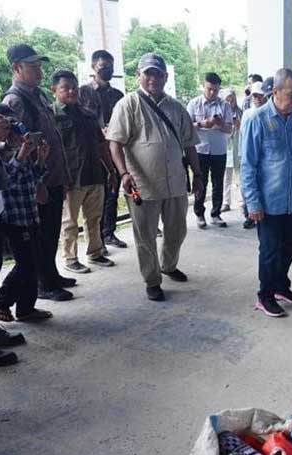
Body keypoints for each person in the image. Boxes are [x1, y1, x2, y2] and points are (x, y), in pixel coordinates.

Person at [106, 53, 201, 301]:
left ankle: (168, 266)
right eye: (148, 73)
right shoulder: (128, 105)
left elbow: (190, 144)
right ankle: (152, 279)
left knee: (177, 230)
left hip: (176, 183)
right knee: (145, 235)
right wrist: (123, 173)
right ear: (138, 76)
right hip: (142, 185)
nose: (153, 78)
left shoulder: (176, 107)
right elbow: (115, 143)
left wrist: (198, 174)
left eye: (158, 73)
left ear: (165, 77)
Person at [2, 43, 75, 302]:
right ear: (17, 68)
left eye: (39, 66)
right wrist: (39, 183)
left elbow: (51, 139)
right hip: (37, 183)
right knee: (38, 240)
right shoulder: (15, 100)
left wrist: (61, 176)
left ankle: (51, 275)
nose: (39, 72)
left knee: (50, 233)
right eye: (33, 67)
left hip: (52, 177)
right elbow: (17, 147)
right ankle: (43, 285)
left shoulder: (39, 95)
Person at [241, 68, 292, 317]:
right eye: (291, 95)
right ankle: (265, 295)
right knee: (270, 251)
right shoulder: (257, 119)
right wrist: (252, 203)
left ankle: (282, 287)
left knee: (288, 248)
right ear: (275, 92)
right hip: (268, 202)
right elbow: (248, 165)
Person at [51, 70, 115, 274]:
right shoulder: (52, 116)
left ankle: (95, 252)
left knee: (94, 217)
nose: (71, 91)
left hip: (94, 174)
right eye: (65, 88)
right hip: (71, 178)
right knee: (70, 221)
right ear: (54, 90)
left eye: (74, 87)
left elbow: (101, 145)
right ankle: (70, 258)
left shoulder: (88, 115)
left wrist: (111, 170)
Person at [0, 104, 53, 325]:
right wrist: (21, 155)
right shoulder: (2, 150)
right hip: (13, 217)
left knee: (34, 261)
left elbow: (31, 179)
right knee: (26, 263)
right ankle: (2, 300)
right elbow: (7, 180)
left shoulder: (22, 146)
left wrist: (39, 158)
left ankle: (26, 308)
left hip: (29, 213)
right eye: (5, 124)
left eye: (12, 123)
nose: (11, 128)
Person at [78, 49, 127, 251]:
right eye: (103, 67)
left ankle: (109, 233)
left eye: (110, 67)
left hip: (115, 148)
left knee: (114, 191)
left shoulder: (117, 94)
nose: (107, 71)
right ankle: (96, 240)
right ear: (93, 67)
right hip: (94, 151)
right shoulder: (83, 92)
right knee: (97, 195)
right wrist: (100, 130)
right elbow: (80, 120)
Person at [187, 72, 233, 229]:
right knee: (201, 182)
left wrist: (220, 124)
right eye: (209, 89)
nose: (212, 93)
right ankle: (199, 213)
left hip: (219, 150)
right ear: (203, 86)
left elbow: (230, 130)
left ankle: (216, 213)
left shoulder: (225, 105)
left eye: (215, 90)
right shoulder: (194, 104)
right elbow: (186, 127)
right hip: (200, 150)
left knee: (218, 183)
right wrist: (202, 124)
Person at [239, 81, 268, 230]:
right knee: (246, 188)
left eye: (259, 95)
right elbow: (242, 136)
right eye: (254, 95)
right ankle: (249, 215)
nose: (257, 98)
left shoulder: (266, 115)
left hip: (261, 160)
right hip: (246, 156)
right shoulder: (247, 114)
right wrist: (240, 155)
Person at [221, 89, 242, 213]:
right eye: (227, 99)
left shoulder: (240, 111)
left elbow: (244, 128)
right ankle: (226, 201)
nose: (229, 101)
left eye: (231, 98)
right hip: (226, 147)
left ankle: (241, 201)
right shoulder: (221, 112)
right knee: (226, 176)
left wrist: (238, 124)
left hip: (238, 146)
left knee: (240, 175)